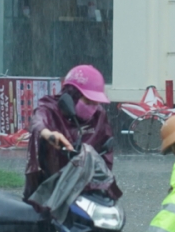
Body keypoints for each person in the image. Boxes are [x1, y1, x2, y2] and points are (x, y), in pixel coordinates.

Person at [23, 64, 117, 200]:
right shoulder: (50, 109)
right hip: (50, 189)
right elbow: (38, 121)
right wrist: (48, 134)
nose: (93, 107)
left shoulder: (99, 114)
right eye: (88, 101)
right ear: (73, 96)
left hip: (85, 191)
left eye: (96, 102)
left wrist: (104, 187)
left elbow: (105, 156)